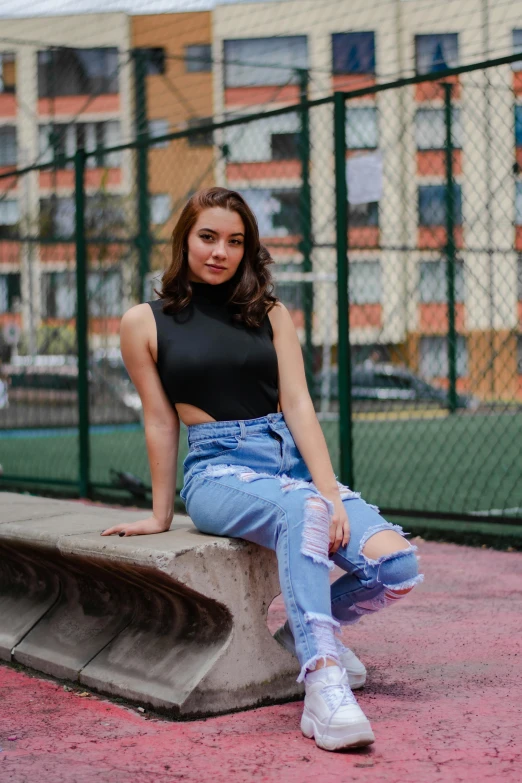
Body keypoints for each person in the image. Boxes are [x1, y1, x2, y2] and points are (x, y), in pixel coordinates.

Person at [101, 187, 423, 752]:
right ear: (184, 240)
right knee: (303, 510)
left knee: (394, 565)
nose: (220, 251)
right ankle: (323, 685)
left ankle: (297, 635)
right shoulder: (144, 322)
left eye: (235, 240)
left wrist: (326, 487)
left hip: (290, 464)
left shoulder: (270, 313)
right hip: (217, 471)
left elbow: (298, 404)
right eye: (208, 237)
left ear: (247, 249)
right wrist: (159, 514)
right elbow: (159, 420)